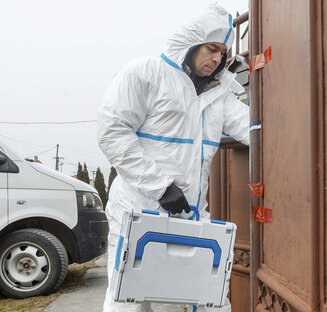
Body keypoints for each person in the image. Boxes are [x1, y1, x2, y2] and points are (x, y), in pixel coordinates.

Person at [97, 4, 249, 312]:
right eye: (211, 49)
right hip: (137, 210)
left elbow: (256, 130)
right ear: (191, 44)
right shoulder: (146, 74)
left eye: (222, 52)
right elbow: (112, 132)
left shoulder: (219, 94)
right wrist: (161, 187)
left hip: (190, 213)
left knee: (211, 294)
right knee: (128, 298)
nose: (217, 59)